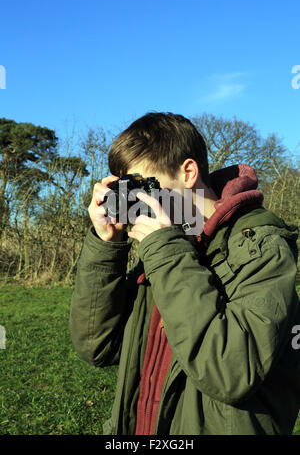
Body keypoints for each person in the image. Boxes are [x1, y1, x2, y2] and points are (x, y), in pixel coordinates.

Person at [69, 112, 300, 435]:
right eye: (126, 188)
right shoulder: (168, 248)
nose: (135, 199)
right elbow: (97, 346)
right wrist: (107, 247)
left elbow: (230, 372)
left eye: (141, 184)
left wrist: (163, 249)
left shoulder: (261, 249)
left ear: (188, 172)